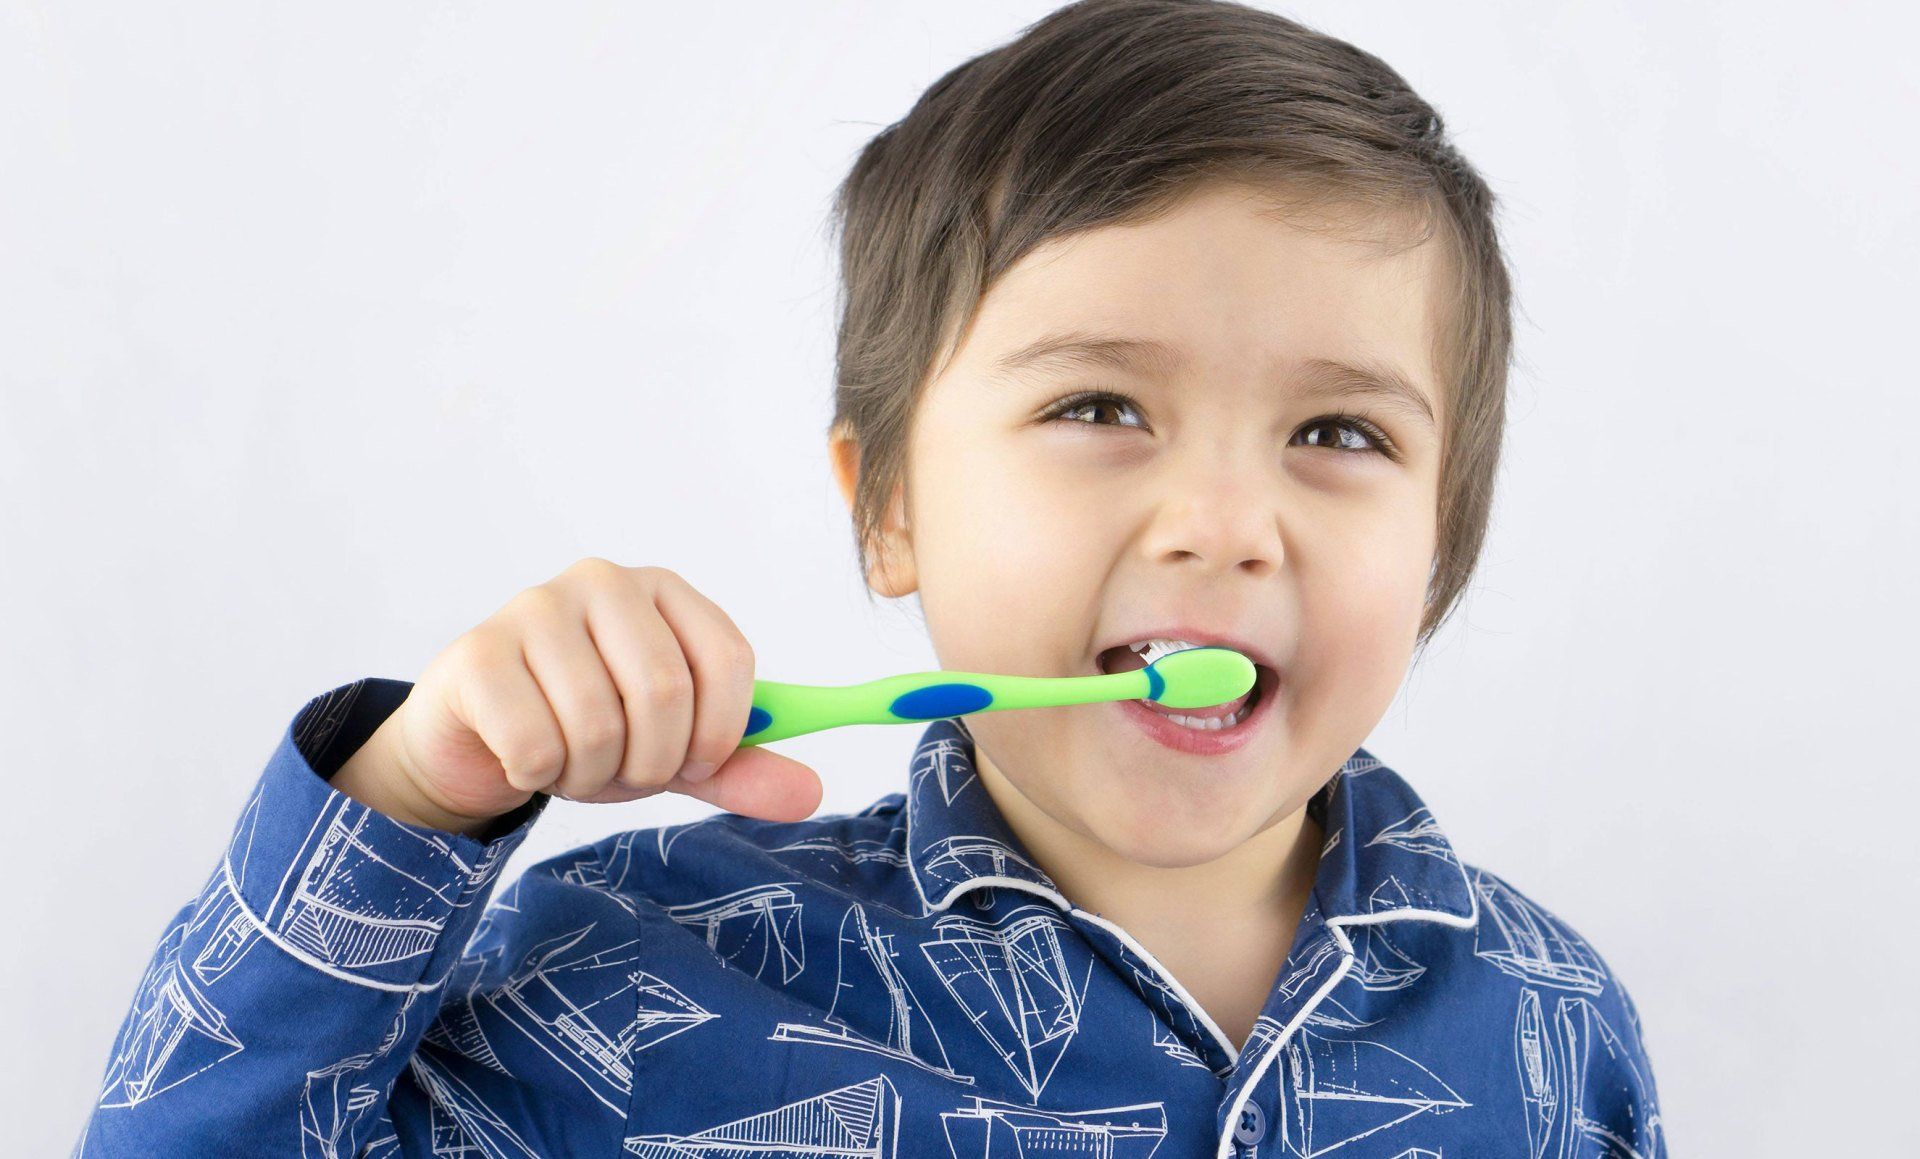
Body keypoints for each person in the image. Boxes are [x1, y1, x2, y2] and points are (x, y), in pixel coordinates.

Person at [74, 1, 1666, 1155]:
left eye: (1338, 430)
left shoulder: (1555, 1026)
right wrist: (415, 791)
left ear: (1442, 542)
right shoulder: (631, 972)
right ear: (886, 505)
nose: (1226, 523)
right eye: (1099, 407)